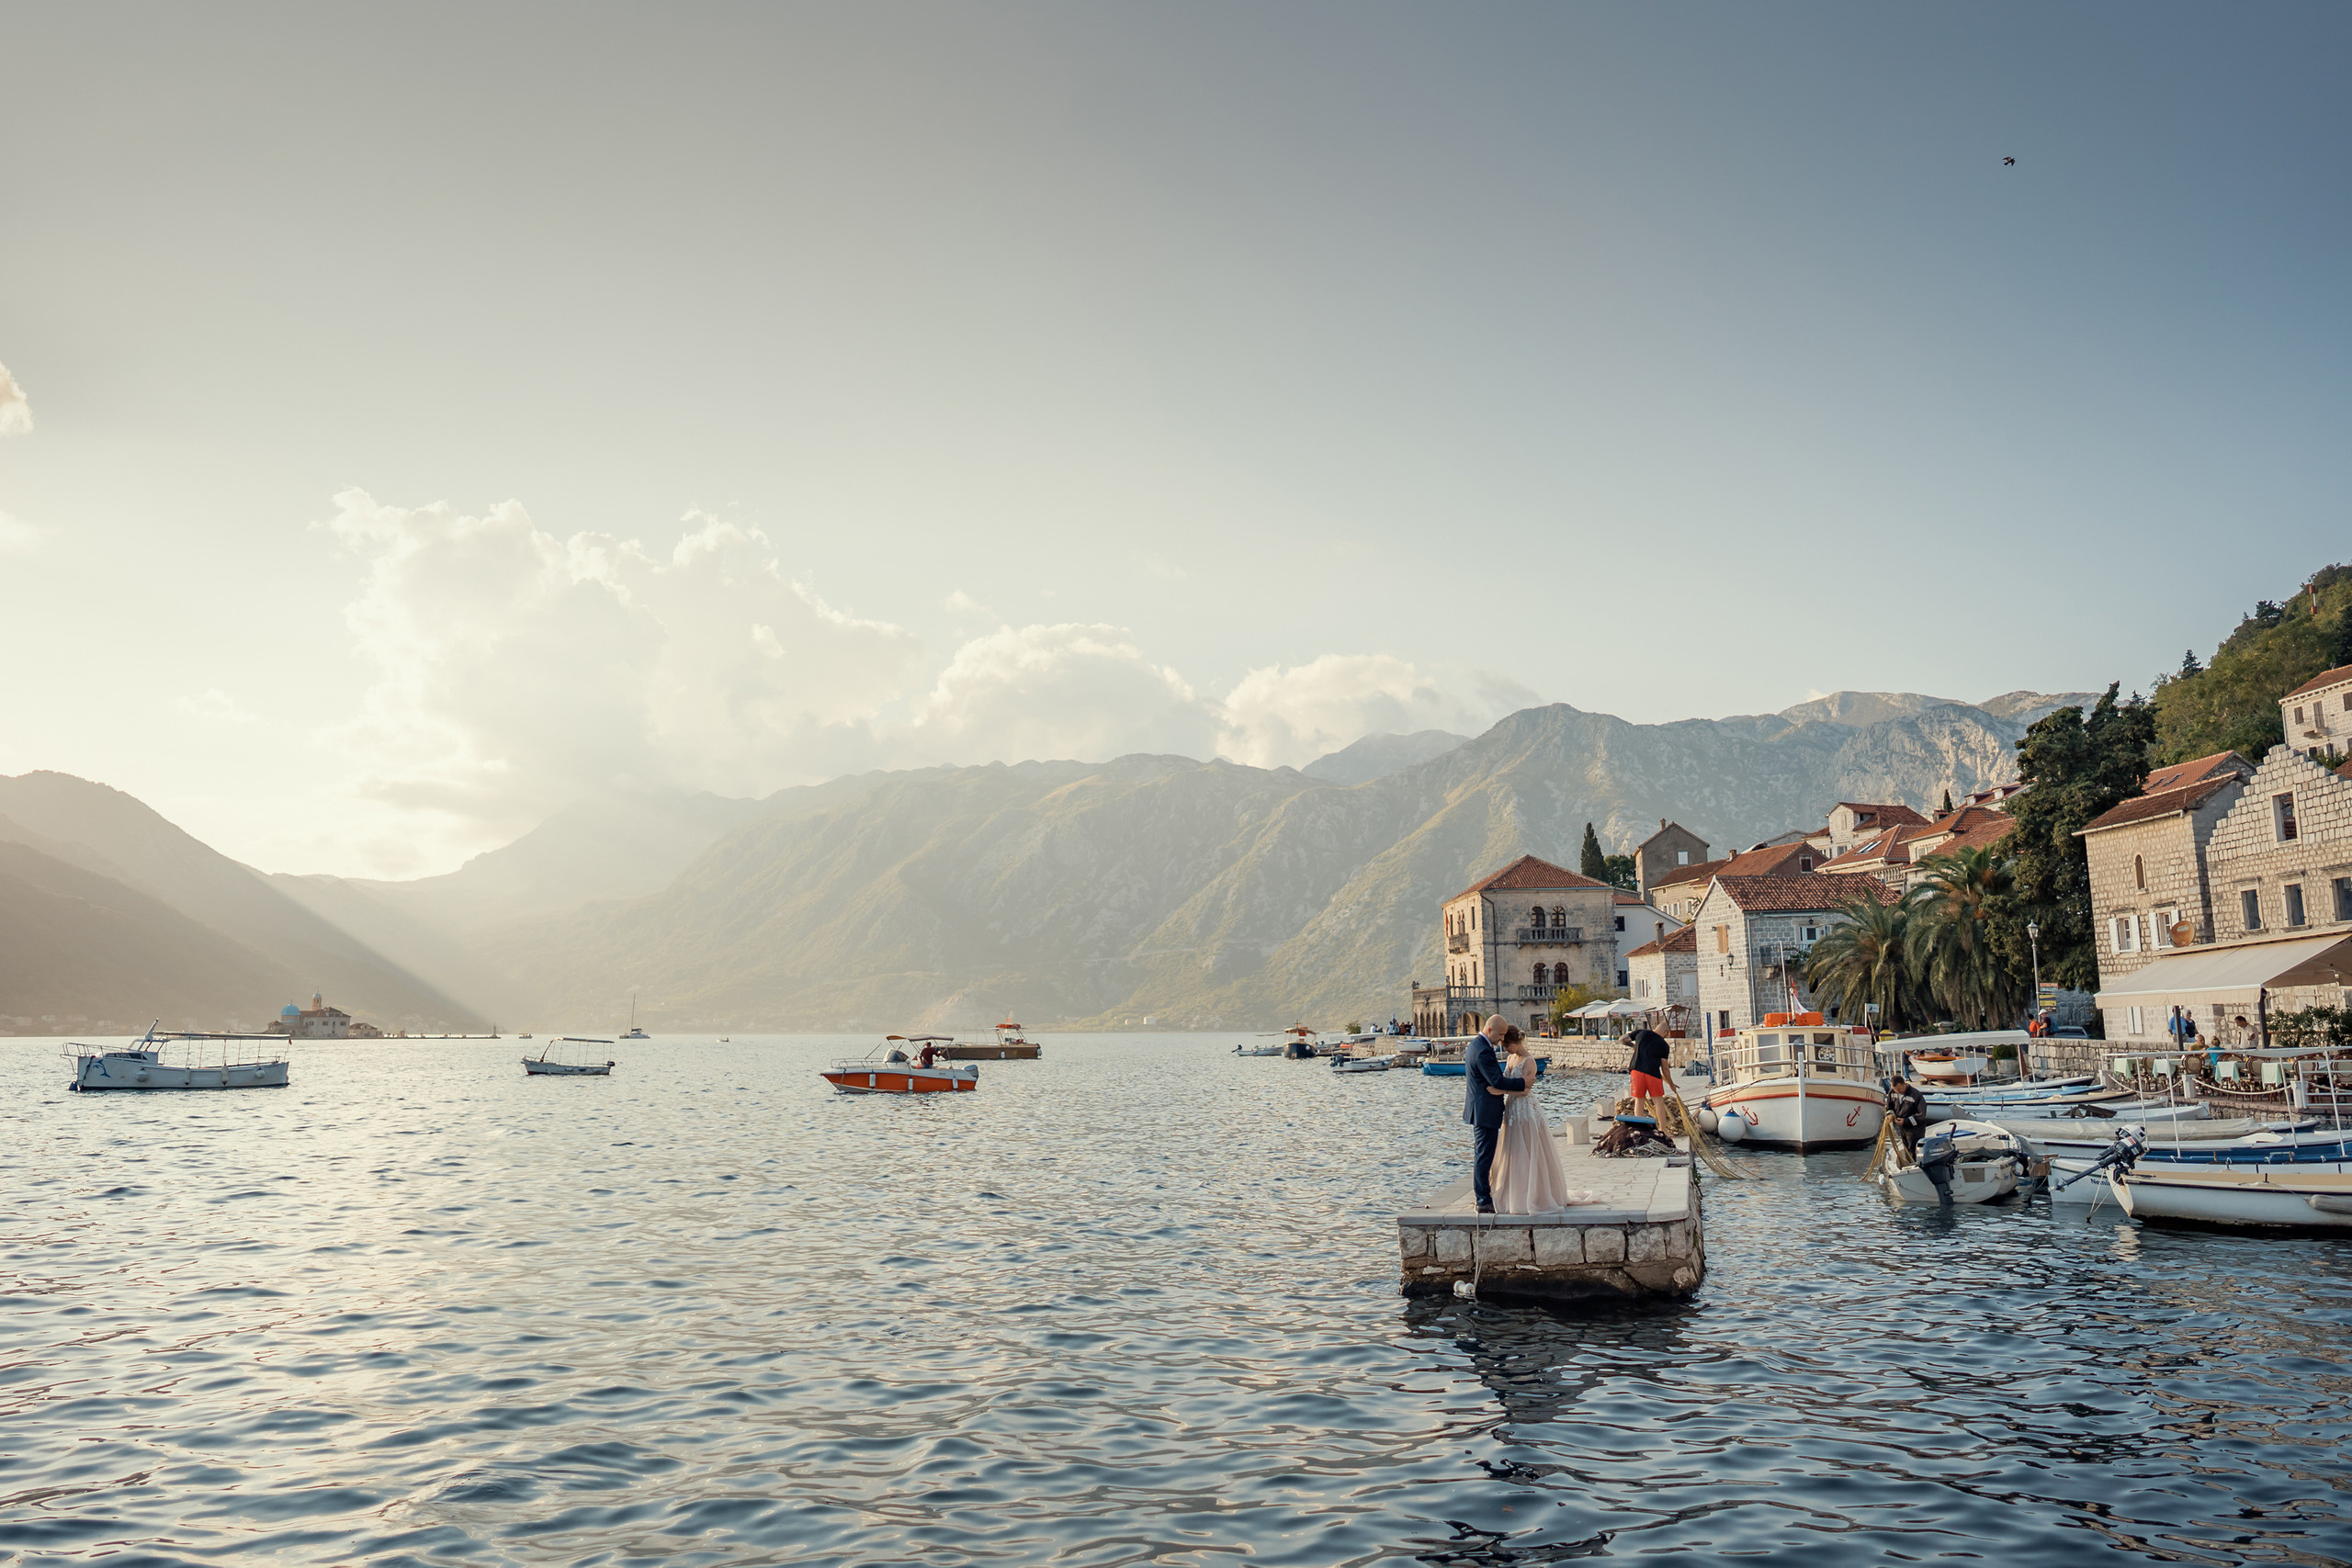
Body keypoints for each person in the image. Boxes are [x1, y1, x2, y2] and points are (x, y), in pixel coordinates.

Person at [1487, 1026, 1570, 1213]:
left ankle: (1533, 1195)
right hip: (1511, 1109)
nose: (1505, 1049)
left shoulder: (1529, 1061)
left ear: (1516, 1042)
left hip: (1525, 1109)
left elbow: (1525, 1090)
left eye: (1507, 1045)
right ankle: (1512, 1192)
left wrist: (1502, 1091)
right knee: (1512, 1150)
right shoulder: (1510, 1059)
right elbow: (1504, 1079)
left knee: (1529, 1149)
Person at [1461, 1017, 1527, 1214]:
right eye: (1499, 1035)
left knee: (1482, 1154)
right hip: (1485, 1112)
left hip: (1481, 1109)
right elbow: (1496, 1081)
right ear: (1489, 1029)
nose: (1501, 1039)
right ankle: (1483, 1200)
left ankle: (1484, 1197)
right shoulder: (1482, 1051)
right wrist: (1524, 1083)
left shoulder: (1476, 1044)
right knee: (1483, 1156)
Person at [1625, 1022, 1671, 1121]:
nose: (1666, 1037)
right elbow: (1665, 1068)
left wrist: (1633, 1045)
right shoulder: (1664, 1044)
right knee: (1658, 1102)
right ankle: (1663, 1130)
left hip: (1636, 1072)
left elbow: (1622, 1039)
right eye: (1667, 1034)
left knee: (1639, 1101)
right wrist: (1671, 1084)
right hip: (1653, 1075)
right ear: (1664, 1032)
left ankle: (1641, 1129)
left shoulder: (1641, 1033)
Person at [1886, 1075, 1928, 1163]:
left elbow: (1921, 1115)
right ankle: (1909, 1164)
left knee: (1914, 1150)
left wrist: (1906, 1121)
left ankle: (1916, 1165)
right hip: (1902, 1128)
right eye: (1896, 1090)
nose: (1898, 1091)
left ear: (1904, 1084)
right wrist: (1890, 1115)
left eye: (1900, 1089)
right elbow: (1889, 1106)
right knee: (1906, 1150)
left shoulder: (1916, 1095)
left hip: (1915, 1129)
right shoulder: (1892, 1092)